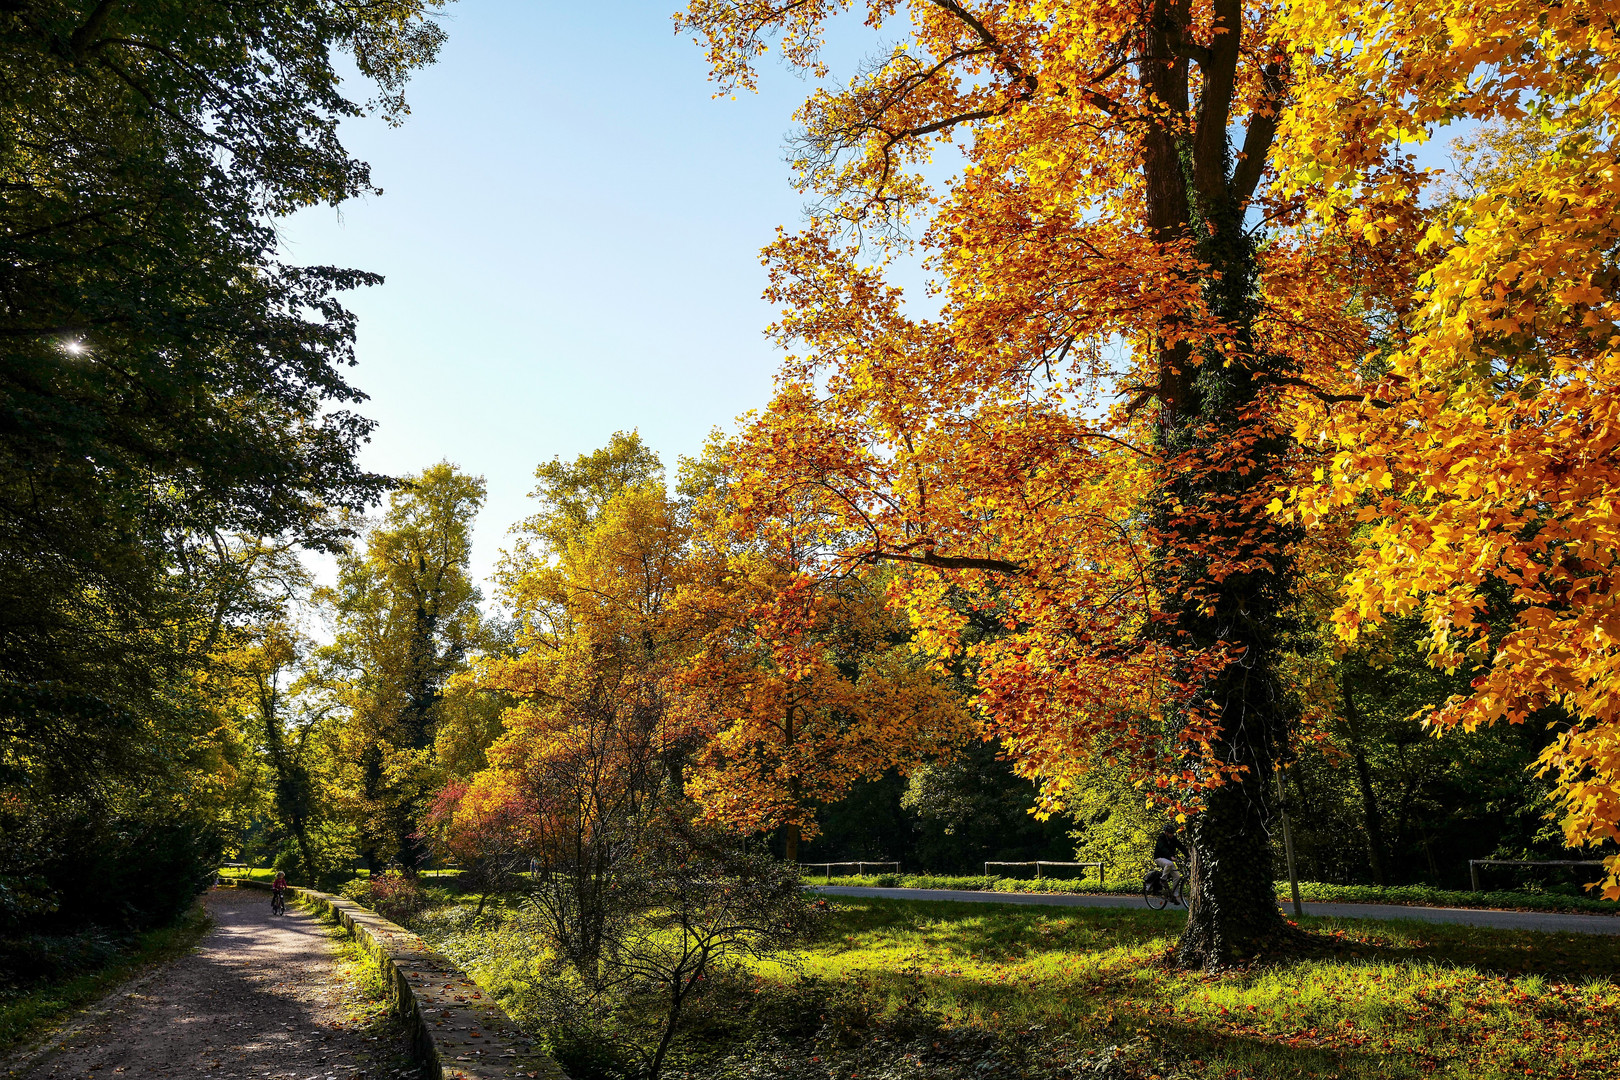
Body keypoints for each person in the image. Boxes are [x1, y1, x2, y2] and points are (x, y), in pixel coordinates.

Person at [1149, 824, 1189, 904]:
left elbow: (1181, 847)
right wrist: (1170, 856)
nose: (1172, 835)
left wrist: (1188, 856)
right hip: (1159, 858)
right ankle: (1162, 880)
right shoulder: (1161, 837)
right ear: (1166, 832)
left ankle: (1173, 895)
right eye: (1170, 833)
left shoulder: (1173, 839)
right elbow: (1163, 848)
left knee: (1177, 877)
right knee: (1169, 864)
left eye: (1172, 833)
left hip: (1168, 860)